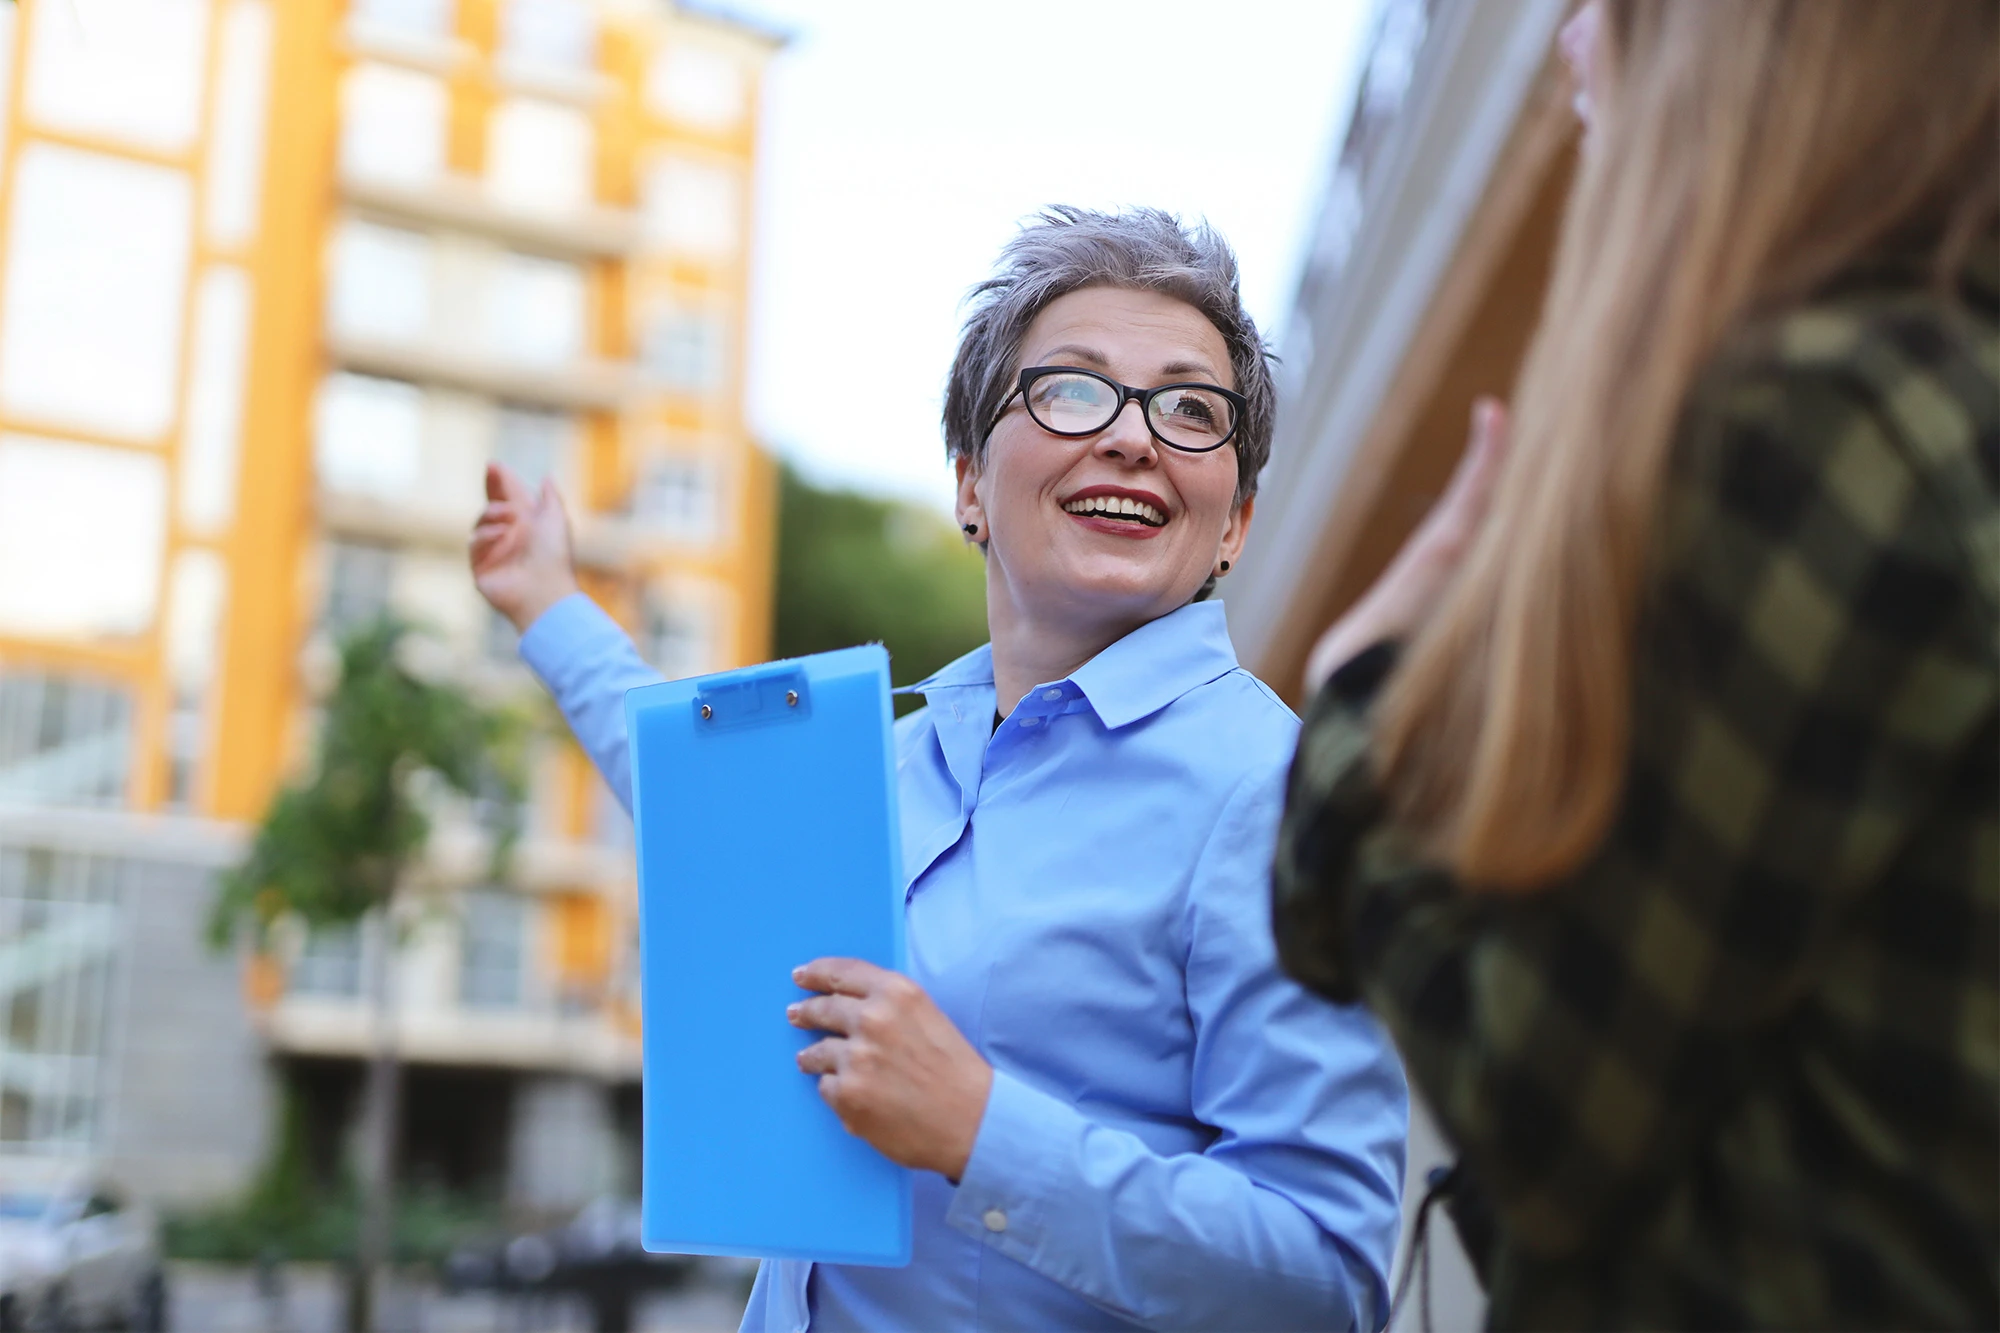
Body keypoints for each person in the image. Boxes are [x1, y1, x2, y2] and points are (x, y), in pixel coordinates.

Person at [471, 207, 1408, 1332]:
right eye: (1071, 389)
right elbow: (688, 792)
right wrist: (546, 599)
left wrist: (979, 1130)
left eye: (1189, 408)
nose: (1132, 435)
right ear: (968, 483)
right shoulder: (898, 753)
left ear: (1234, 523)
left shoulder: (1272, 792)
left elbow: (1324, 1275)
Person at [1270, 0, 1998, 1327]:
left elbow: (1545, 1117)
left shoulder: (1819, 427)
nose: (1569, 40)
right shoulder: (1941, 392)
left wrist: (1353, 708)